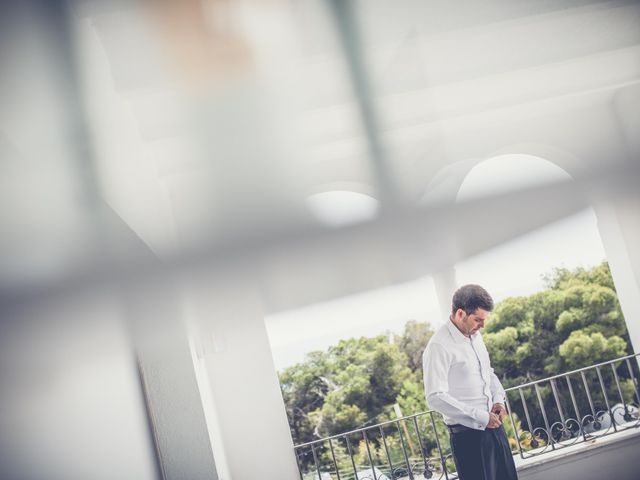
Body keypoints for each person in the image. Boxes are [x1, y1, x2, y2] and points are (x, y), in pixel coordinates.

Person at [422, 284, 518, 480]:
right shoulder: (438, 346)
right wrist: (482, 417)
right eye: (478, 320)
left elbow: (488, 372)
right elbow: (435, 397)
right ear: (460, 314)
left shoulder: (475, 335)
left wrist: (499, 400)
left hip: (495, 429)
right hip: (469, 438)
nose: (482, 326)